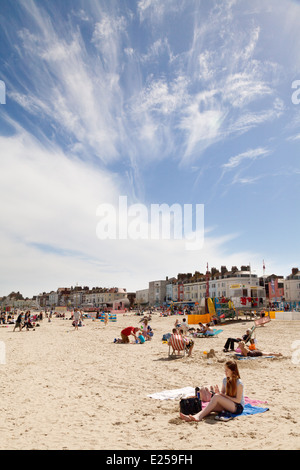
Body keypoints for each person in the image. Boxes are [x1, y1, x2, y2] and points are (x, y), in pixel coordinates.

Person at [180, 360, 245, 422]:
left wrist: (222, 395)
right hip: (229, 404)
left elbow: (238, 400)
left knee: (216, 398)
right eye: (225, 370)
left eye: (227, 370)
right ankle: (195, 416)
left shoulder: (239, 383)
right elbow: (222, 393)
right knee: (210, 407)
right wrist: (218, 392)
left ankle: (198, 417)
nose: (225, 372)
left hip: (238, 407)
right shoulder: (225, 380)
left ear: (233, 371)